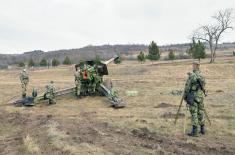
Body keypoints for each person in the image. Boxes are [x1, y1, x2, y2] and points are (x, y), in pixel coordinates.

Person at [184, 61, 206, 137]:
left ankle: (195, 132)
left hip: (193, 96)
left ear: (195, 66)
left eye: (193, 65)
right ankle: (202, 129)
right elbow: (203, 85)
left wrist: (185, 96)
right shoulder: (202, 75)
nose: (192, 66)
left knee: (194, 113)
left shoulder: (192, 76)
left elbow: (187, 87)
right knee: (201, 112)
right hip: (200, 96)